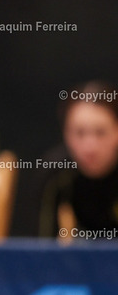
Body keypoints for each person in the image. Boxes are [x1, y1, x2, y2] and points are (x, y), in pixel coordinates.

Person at [39, 80, 118, 239]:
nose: (90, 147)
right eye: (79, 133)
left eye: (101, 132)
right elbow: (43, 245)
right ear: (65, 133)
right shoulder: (55, 174)